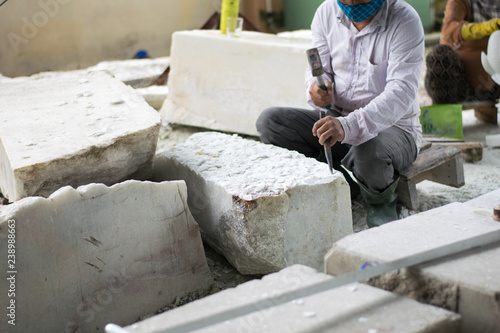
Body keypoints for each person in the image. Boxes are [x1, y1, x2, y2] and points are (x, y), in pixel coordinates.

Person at [256, 0, 425, 227]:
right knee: (271, 122)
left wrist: (349, 126)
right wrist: (317, 88)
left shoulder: (405, 20)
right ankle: (345, 182)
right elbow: (319, 69)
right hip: (338, 118)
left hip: (394, 127)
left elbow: (401, 93)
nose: (353, 3)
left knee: (367, 149)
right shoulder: (326, 13)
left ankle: (380, 201)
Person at [425, 0, 500, 119]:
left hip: (495, 84)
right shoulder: (461, 2)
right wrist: (481, 29)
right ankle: (445, 120)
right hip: (462, 85)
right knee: (439, 56)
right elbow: (449, 29)